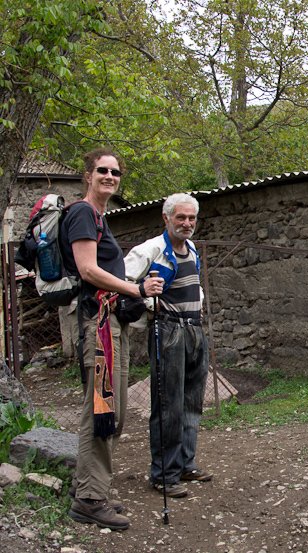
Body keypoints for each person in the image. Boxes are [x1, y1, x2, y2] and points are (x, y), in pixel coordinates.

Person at [62, 148, 164, 531]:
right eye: (102, 170)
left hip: (109, 325)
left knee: (113, 413)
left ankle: (93, 489)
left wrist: (135, 290)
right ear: (87, 175)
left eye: (115, 171)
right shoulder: (83, 214)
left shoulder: (100, 218)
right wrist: (136, 289)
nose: (109, 176)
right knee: (102, 413)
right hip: (98, 327)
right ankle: (89, 499)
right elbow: (89, 270)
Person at [125, 193, 212, 499]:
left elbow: (194, 284)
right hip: (168, 330)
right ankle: (164, 474)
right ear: (166, 218)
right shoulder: (150, 250)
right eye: (181, 218)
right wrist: (147, 303)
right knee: (168, 405)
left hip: (194, 330)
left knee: (192, 402)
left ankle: (185, 464)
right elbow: (121, 280)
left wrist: (198, 306)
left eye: (191, 218)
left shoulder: (190, 249)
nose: (187, 223)